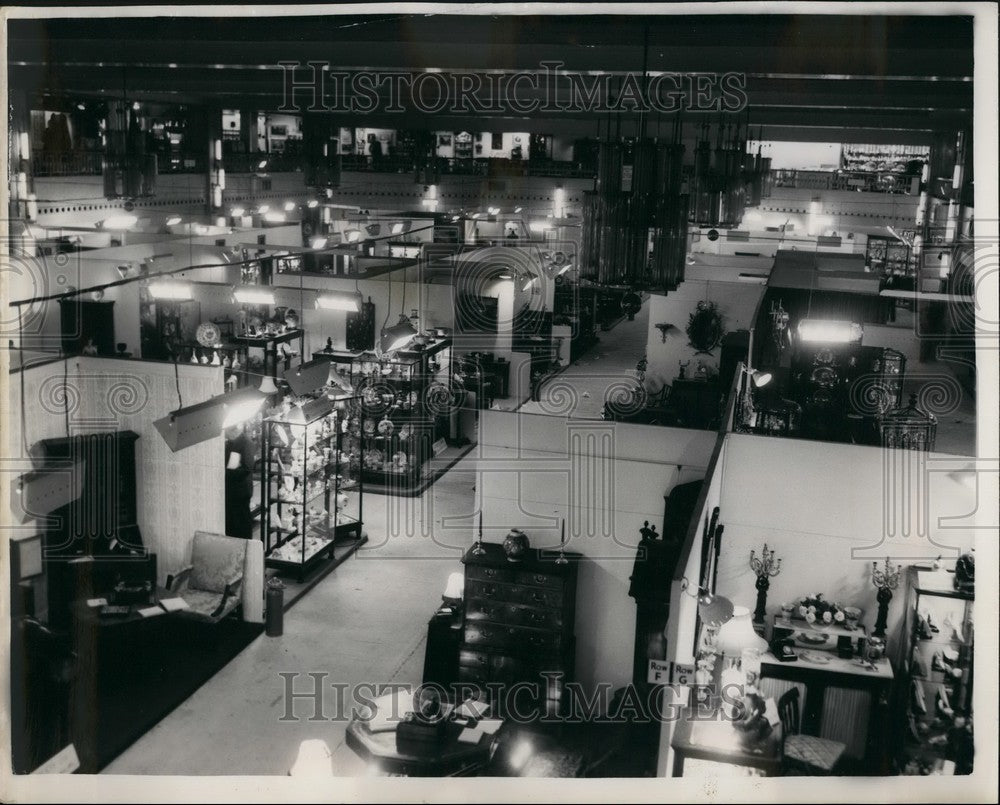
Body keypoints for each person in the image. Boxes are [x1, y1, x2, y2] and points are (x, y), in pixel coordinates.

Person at [224, 424, 257, 539]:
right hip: (231, 490)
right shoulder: (230, 443)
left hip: (241, 491)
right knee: (231, 523)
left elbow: (247, 468)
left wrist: (225, 473)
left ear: (231, 430)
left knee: (242, 523)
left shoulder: (246, 443)